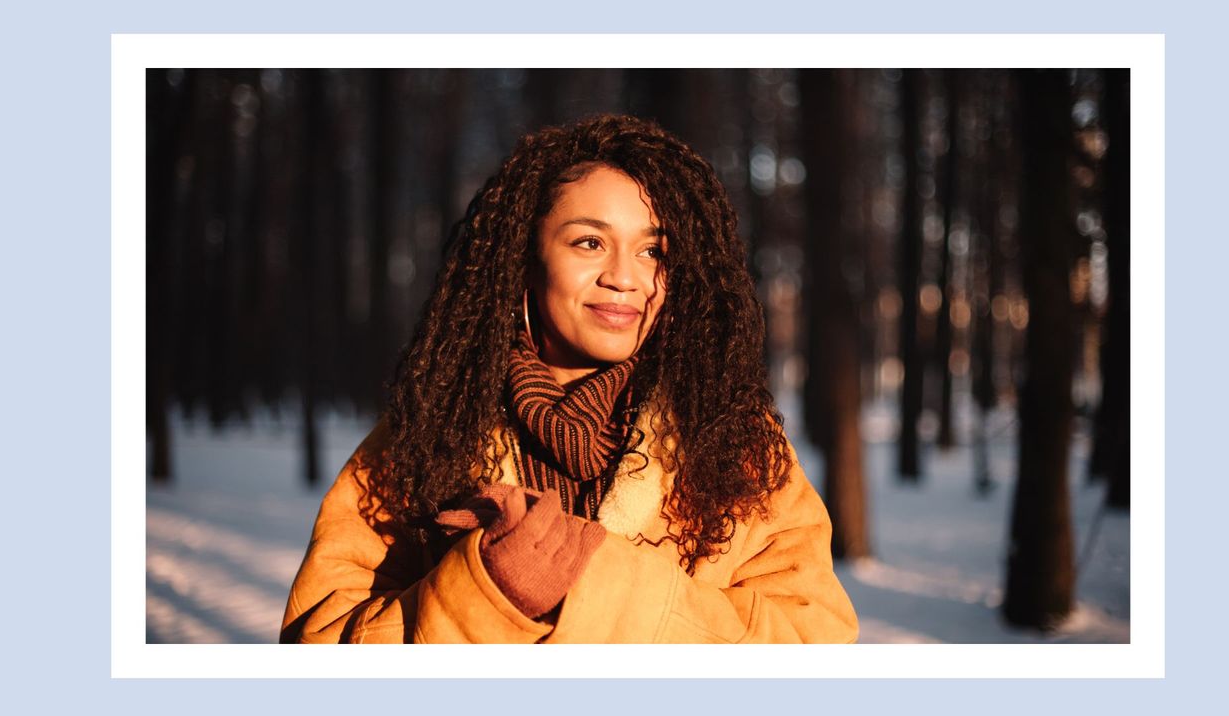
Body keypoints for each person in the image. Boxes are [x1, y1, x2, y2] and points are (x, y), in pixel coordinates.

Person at [280, 114, 859, 644]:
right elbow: (317, 646)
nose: (625, 278)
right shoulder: (426, 435)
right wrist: (486, 594)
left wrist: (596, 579)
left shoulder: (734, 444)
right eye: (590, 242)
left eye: (653, 250)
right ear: (525, 259)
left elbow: (816, 645)